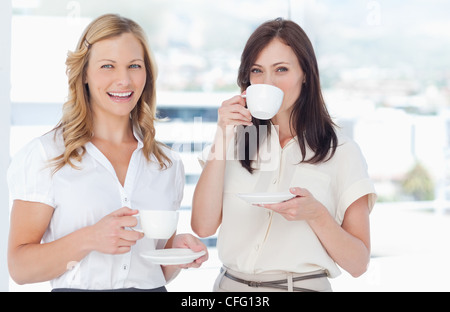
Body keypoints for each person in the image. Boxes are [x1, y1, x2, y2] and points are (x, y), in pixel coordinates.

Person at [7, 14, 208, 292]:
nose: (123, 80)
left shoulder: (167, 164)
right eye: (107, 66)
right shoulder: (47, 155)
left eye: (134, 66)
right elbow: (20, 268)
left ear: (146, 74)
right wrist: (90, 238)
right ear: (85, 74)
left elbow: (156, 271)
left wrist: (178, 254)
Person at [191, 18, 376, 292]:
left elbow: (358, 264)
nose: (268, 83)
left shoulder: (342, 152)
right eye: (257, 71)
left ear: (306, 74)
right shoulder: (233, 141)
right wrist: (222, 134)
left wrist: (317, 215)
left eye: (281, 69)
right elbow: (203, 227)